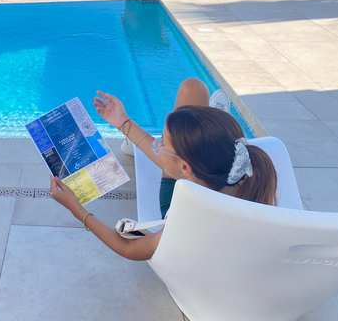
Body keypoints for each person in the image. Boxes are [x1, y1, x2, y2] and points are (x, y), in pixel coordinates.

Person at [50, 78, 278, 261]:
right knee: (194, 87)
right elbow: (178, 165)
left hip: (183, 200)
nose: (157, 145)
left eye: (162, 144)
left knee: (184, 118)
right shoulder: (241, 173)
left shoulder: (184, 220)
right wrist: (122, 122)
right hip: (203, 180)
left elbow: (128, 248)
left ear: (185, 168)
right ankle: (211, 132)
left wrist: (75, 207)